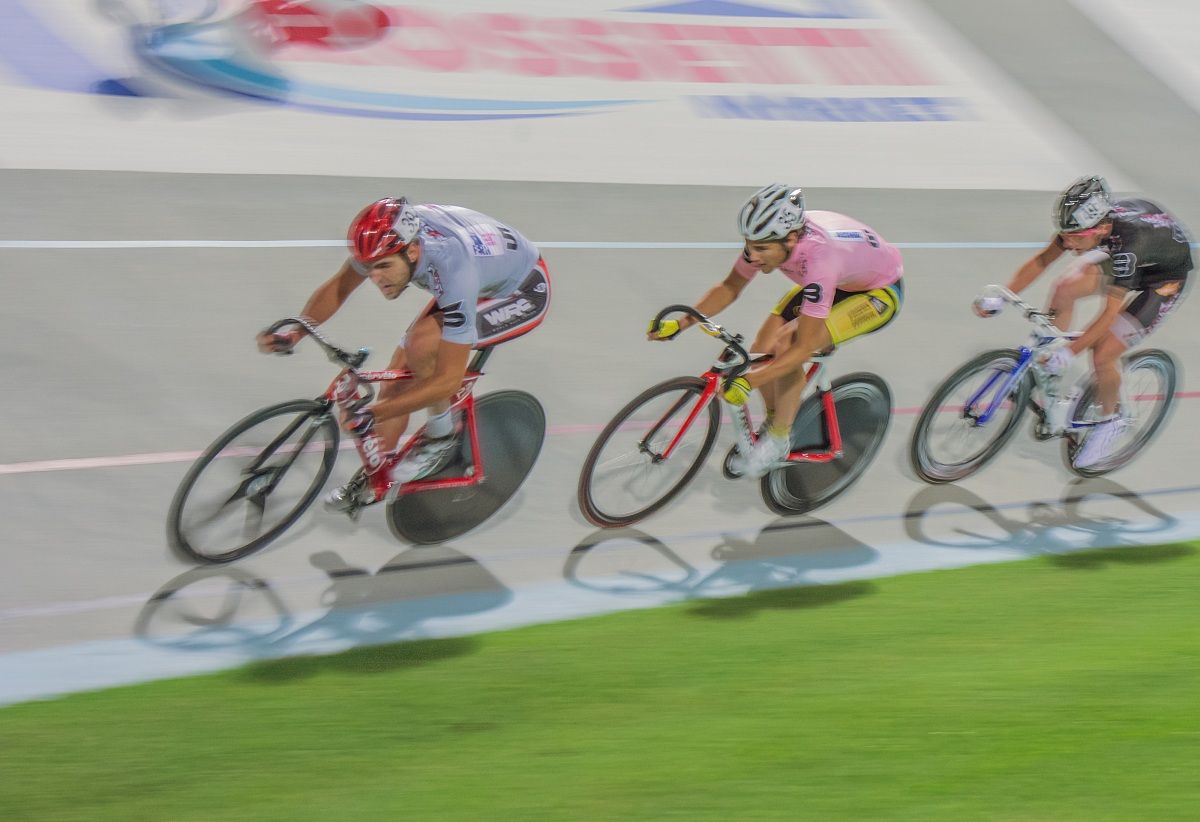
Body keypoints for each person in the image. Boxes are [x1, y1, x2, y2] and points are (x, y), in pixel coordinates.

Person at [257, 197, 551, 510]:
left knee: (422, 347)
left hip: (522, 290)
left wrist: (372, 415)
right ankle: (376, 475)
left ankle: (442, 436)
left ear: (412, 251)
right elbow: (341, 286)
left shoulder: (452, 268)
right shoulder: (380, 240)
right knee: (397, 379)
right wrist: (298, 330)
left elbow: (447, 380)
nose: (375, 278)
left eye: (383, 266)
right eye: (369, 268)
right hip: (482, 270)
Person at [649, 183, 904, 478]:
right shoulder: (768, 241)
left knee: (788, 344)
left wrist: (751, 382)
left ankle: (779, 440)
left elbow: (803, 348)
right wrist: (682, 323)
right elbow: (730, 287)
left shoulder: (819, 259)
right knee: (764, 346)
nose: (752, 256)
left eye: (761, 249)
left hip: (878, 293)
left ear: (791, 238)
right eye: (748, 245)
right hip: (842, 279)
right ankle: (777, 420)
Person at [975, 176, 1192, 469]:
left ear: (1101, 228)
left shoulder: (1129, 247)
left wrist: (1069, 354)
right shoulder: (1085, 225)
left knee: (1103, 352)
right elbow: (1042, 260)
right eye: (1064, 234)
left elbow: (1108, 316)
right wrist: (1004, 295)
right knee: (1065, 287)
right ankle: (1050, 373)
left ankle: (1110, 421)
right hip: (1135, 254)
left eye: (1075, 237)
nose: (1067, 242)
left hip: (1163, 280)